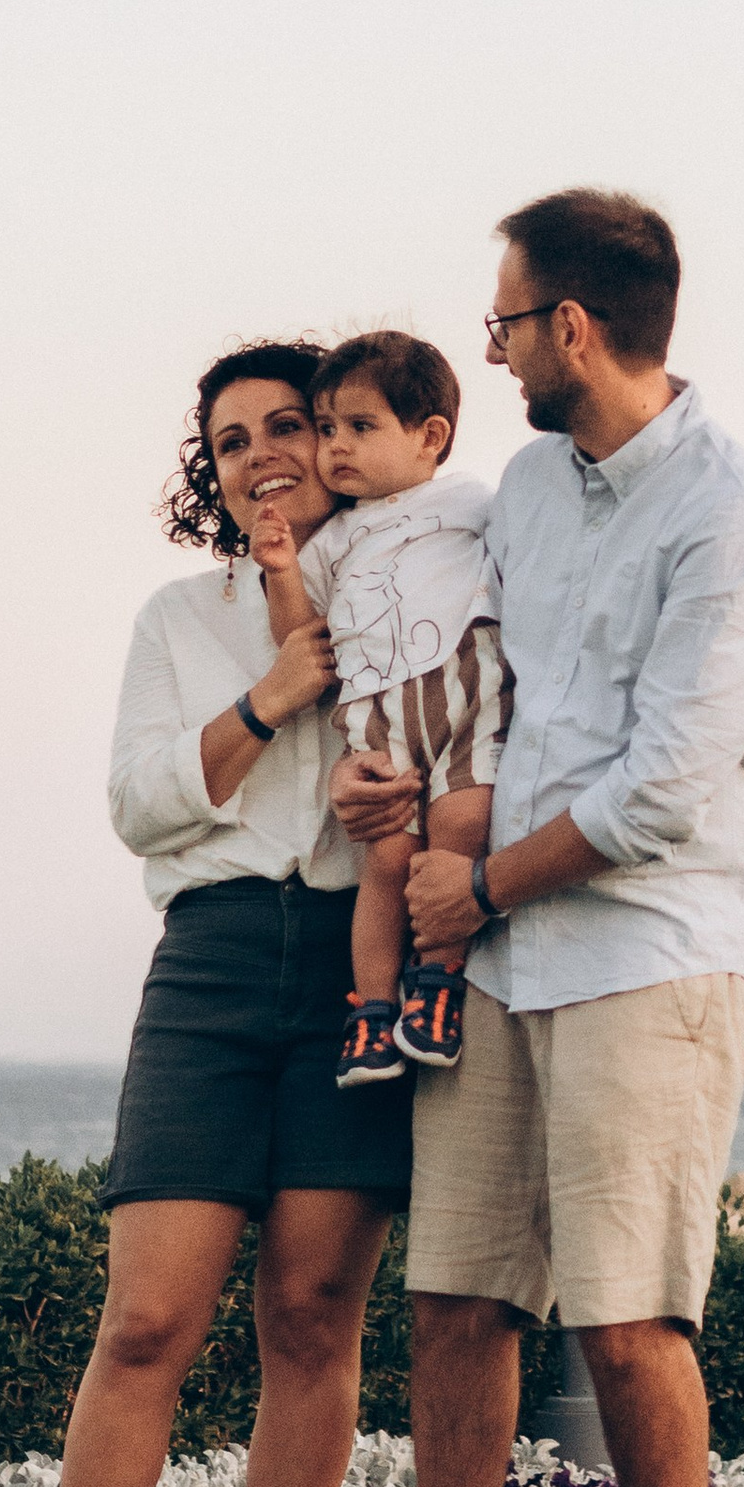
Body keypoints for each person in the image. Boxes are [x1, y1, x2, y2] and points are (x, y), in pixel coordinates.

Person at [308, 189, 744, 1487]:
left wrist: (483, 889)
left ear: (570, 328)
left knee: (630, 1311)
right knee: (456, 1301)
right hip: (500, 959)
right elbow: (484, 688)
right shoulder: (522, 492)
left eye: (507, 319)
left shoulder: (731, 515)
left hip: (642, 959)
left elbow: (668, 786)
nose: (497, 345)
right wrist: (390, 783)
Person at [0, 341, 416, 1487]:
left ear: (342, 443)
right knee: (151, 1316)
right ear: (207, 472)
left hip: (358, 955)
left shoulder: (414, 602)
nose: (266, 453)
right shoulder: (178, 616)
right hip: (212, 964)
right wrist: (272, 690)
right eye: (232, 440)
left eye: (292, 425)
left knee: (311, 1311)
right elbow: (147, 807)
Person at [251, 331, 506, 1091]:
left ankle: (437, 986)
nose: (336, 448)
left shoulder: (472, 501)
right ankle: (372, 1010)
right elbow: (299, 636)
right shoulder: (334, 538)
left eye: (360, 427)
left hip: (464, 696)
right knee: (387, 863)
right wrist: (281, 571)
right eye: (327, 428)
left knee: (461, 829)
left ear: (431, 437)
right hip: (379, 719)